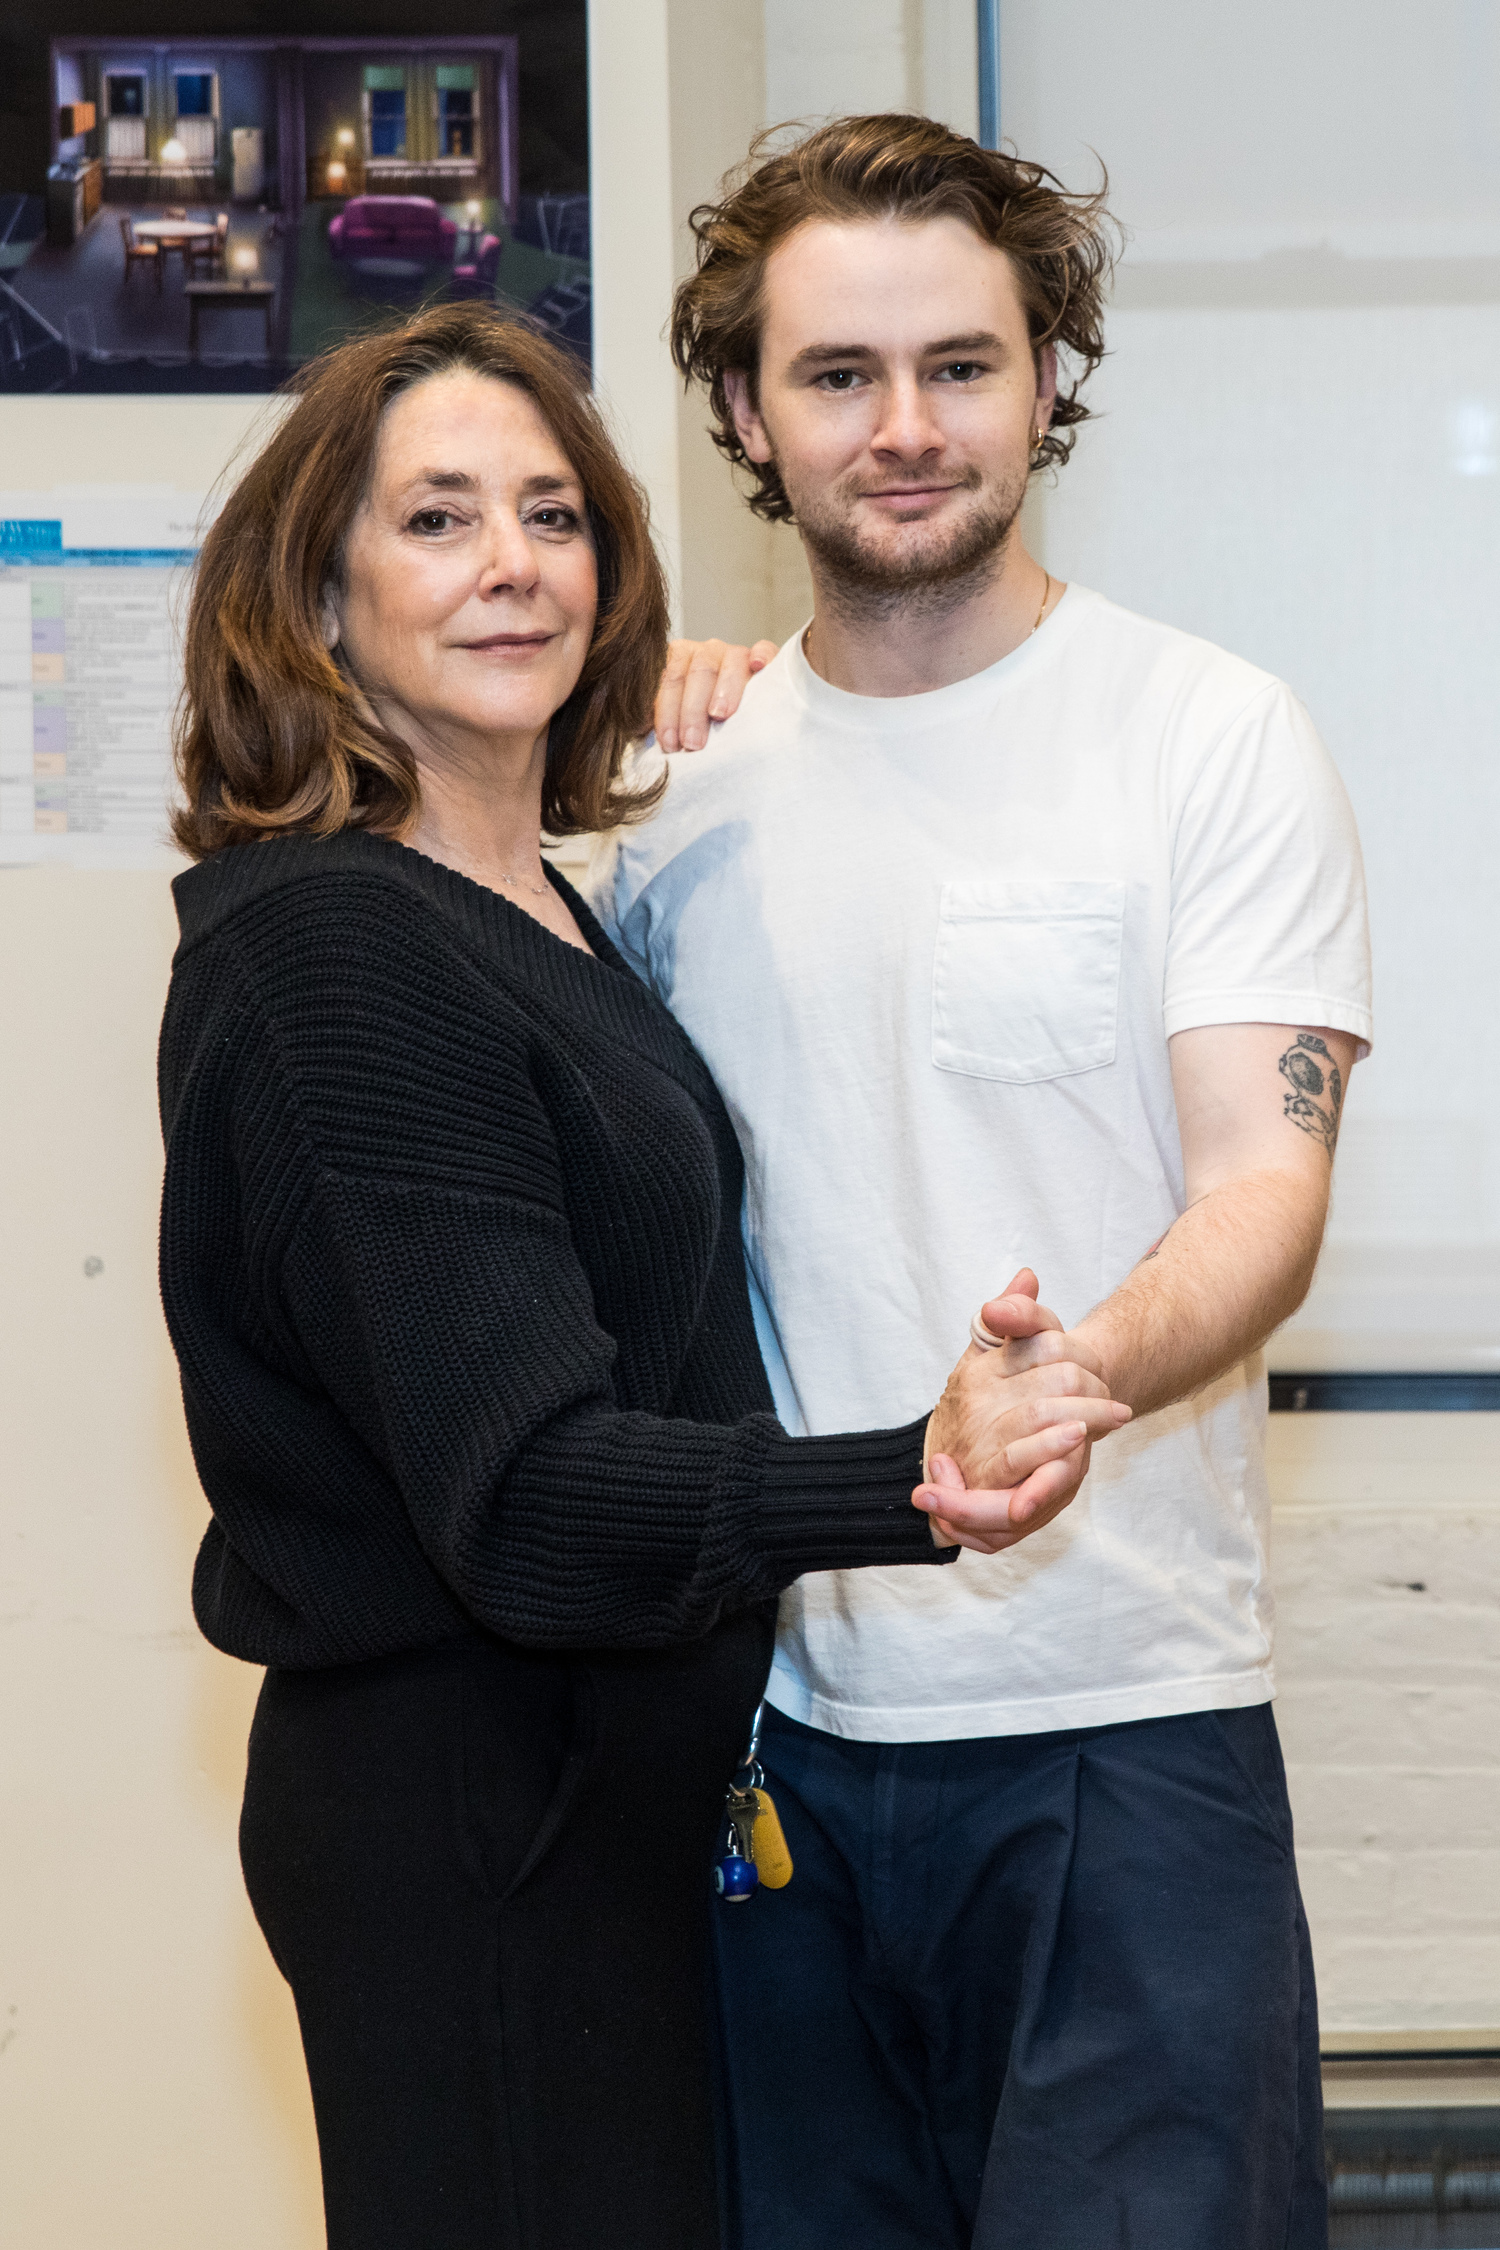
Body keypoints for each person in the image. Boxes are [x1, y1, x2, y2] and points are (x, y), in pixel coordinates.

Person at [156, 302, 1131, 2250]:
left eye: (552, 513)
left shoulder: (531, 903)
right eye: (436, 520)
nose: (512, 560)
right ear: (321, 599)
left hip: (593, 1812)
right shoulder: (339, 947)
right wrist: (903, 1473)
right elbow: (520, 1497)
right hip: (471, 1830)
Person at [590, 116, 1373, 2249]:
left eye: (962, 364)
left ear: (1049, 380)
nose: (906, 426)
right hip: (772, 1761)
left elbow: (1259, 1191)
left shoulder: (1205, 736)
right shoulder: (669, 792)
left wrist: (1080, 1374)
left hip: (1126, 1737)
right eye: (838, 375)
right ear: (746, 408)